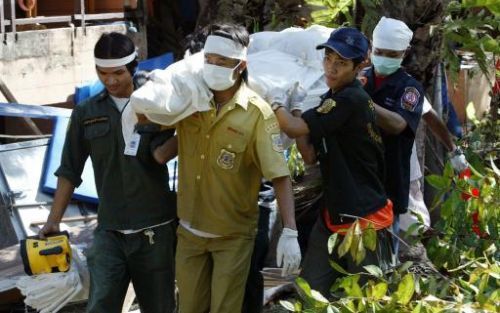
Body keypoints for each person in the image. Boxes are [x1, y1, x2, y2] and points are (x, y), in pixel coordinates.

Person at [133, 23, 301, 312]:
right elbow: (147, 117)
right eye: (209, 59)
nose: (213, 67)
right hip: (189, 232)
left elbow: (279, 176)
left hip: (232, 237)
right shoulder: (190, 101)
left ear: (240, 65)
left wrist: (290, 232)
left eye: (221, 62)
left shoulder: (257, 114)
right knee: (188, 307)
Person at [39, 32, 177, 313]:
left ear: (132, 67)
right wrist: (53, 221)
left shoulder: (155, 106)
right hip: (109, 231)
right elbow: (69, 169)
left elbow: (162, 154)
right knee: (100, 305)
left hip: (155, 230)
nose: (110, 80)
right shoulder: (86, 112)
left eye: (117, 73)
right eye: (102, 73)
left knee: (160, 307)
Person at [268, 27, 394, 297]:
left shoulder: (350, 99)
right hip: (334, 213)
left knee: (367, 300)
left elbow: (291, 128)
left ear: (360, 65)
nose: (332, 68)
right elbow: (309, 154)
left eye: (342, 63)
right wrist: (297, 108)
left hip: (364, 219)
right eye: (328, 59)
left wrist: (275, 101)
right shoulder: (332, 98)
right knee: (309, 293)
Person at [361, 17, 425, 256]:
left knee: (382, 260)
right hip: (357, 181)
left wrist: (359, 101)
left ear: (404, 53)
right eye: (379, 52)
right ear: (371, 47)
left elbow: (398, 124)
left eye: (392, 54)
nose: (384, 59)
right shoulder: (360, 79)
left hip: (389, 183)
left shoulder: (409, 89)